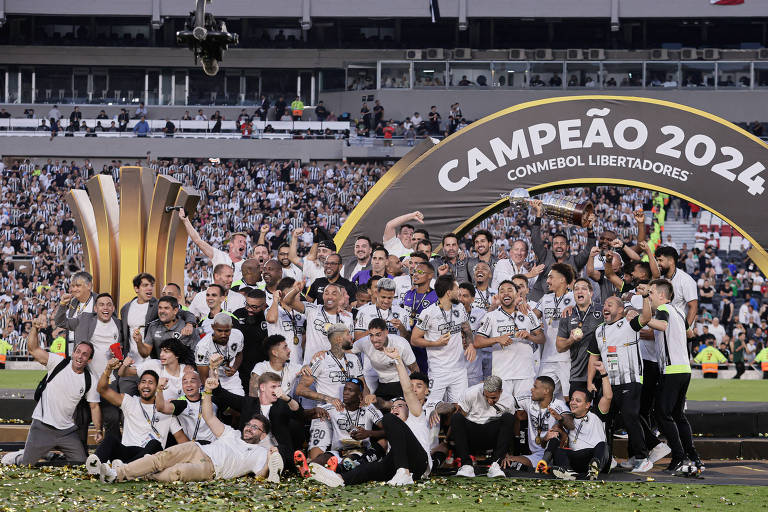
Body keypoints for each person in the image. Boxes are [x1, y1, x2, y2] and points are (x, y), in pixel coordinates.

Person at [95, 375, 283, 484]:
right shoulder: (231, 433)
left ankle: (136, 471)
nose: (249, 428)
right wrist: (207, 392)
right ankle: (116, 474)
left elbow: (260, 475)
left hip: (211, 468)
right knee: (161, 458)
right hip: (197, 448)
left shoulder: (260, 452)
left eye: (255, 428)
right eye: (249, 425)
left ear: (263, 435)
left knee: (177, 473)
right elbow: (209, 416)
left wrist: (271, 458)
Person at [308, 346, 432, 487]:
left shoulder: (417, 413)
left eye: (400, 405)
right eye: (394, 406)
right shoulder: (394, 422)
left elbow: (407, 390)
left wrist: (398, 360)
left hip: (418, 463)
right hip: (394, 462)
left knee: (389, 419)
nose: (396, 407)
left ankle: (404, 472)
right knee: (370, 470)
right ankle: (339, 478)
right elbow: (384, 404)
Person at [636, 279, 703, 475]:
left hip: (671, 369)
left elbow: (663, 326)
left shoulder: (664, 309)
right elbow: (690, 333)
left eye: (651, 293)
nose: (649, 296)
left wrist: (642, 319)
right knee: (677, 415)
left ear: (662, 296)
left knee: (662, 414)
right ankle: (692, 454)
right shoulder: (679, 311)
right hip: (684, 369)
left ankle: (679, 455)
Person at [14, 318, 100, 466]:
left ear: (89, 360)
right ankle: (17, 457)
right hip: (42, 426)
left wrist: (98, 429)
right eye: (78, 352)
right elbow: (33, 349)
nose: (80, 356)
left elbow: (94, 406)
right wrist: (35, 328)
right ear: (73, 353)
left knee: (80, 463)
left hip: (67, 431)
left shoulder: (90, 379)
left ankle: (49, 455)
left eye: (85, 354)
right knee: (25, 465)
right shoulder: (57, 363)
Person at [586, 296, 652, 473]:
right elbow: (593, 356)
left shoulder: (629, 324)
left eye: (610, 305)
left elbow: (646, 317)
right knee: (603, 421)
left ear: (621, 310)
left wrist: (645, 298)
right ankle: (608, 457)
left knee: (630, 416)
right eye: (604, 305)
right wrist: (590, 381)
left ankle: (642, 458)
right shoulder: (599, 331)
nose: (605, 307)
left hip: (630, 380)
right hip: (608, 382)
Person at [211, 361, 303, 473]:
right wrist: (213, 369)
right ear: (262, 387)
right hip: (251, 451)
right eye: (273, 386)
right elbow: (219, 392)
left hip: (276, 452)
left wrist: (286, 398)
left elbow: (299, 413)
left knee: (282, 449)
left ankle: (283, 467)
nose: (277, 390)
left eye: (279, 386)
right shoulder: (248, 403)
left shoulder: (283, 404)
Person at [52, 292, 122, 438]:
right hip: (87, 380)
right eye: (101, 304)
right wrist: (63, 305)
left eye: (109, 304)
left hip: (110, 382)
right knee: (81, 419)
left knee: (113, 418)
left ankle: (111, 453)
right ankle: (80, 455)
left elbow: (125, 349)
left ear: (113, 308)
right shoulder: (84, 319)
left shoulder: (119, 325)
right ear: (95, 308)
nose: (105, 307)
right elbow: (61, 322)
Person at [87, 360, 173, 472]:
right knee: (110, 438)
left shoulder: (166, 408)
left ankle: (124, 469)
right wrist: (108, 369)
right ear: (138, 386)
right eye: (143, 382)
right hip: (126, 453)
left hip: (150, 458)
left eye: (151, 383)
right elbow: (102, 390)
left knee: (155, 444)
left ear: (157, 387)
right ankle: (95, 466)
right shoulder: (130, 401)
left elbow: (180, 437)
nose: (146, 385)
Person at [411, 275, 476, 404]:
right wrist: (435, 343)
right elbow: (414, 339)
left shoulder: (460, 308)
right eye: (457, 289)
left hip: (459, 370)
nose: (460, 292)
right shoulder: (428, 313)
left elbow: (466, 329)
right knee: (432, 408)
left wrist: (470, 345)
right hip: (438, 370)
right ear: (448, 292)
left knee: (459, 408)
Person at [298, 378, 385, 472]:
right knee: (321, 459)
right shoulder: (334, 407)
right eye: (345, 389)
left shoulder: (368, 409)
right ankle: (308, 469)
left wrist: (368, 433)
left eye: (350, 390)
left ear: (360, 396)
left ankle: (333, 471)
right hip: (338, 452)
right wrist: (314, 411)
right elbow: (301, 415)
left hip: (359, 452)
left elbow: (388, 430)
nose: (345, 393)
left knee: (348, 461)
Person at [474, 280, 544, 396]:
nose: (506, 293)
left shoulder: (528, 313)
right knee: (504, 411)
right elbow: (477, 341)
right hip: (502, 375)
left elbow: (542, 338)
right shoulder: (491, 316)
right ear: (498, 296)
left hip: (525, 374)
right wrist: (497, 339)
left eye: (510, 290)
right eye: (502, 291)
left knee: (523, 412)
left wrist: (529, 336)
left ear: (517, 294)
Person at [549, 360, 613, 481]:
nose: (573, 402)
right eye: (572, 399)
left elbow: (608, 396)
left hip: (593, 455)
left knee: (603, 445)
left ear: (587, 404)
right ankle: (568, 472)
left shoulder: (596, 413)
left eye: (578, 401)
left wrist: (603, 373)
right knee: (559, 451)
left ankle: (593, 470)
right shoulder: (569, 418)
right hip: (577, 458)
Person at [529, 199, 596, 300]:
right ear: (552, 247)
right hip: (539, 301)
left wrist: (590, 228)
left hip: (565, 304)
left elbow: (590, 250)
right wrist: (538, 215)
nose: (559, 246)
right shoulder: (545, 256)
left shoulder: (574, 261)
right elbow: (535, 239)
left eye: (562, 243)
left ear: (568, 247)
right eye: (556, 243)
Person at [450, 376, 516, 478]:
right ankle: (466, 465)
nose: (489, 401)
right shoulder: (470, 393)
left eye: (493, 398)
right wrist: (446, 441)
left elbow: (507, 429)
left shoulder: (509, 400)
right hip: (472, 433)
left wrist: (507, 452)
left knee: (509, 418)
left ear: (501, 391)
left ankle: (495, 465)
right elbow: (459, 420)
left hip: (492, 435)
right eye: (486, 396)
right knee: (456, 417)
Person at [501, 376, 570, 473]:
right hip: (536, 454)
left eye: (535, 387)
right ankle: (541, 469)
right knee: (509, 462)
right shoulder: (529, 399)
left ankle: (546, 466)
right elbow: (507, 402)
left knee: (554, 434)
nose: (532, 389)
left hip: (556, 453)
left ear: (546, 391)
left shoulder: (559, 405)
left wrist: (561, 418)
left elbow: (570, 423)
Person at [296, 323, 371, 407]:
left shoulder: (353, 358)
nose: (351, 337)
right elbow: (300, 389)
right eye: (348, 334)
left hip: (351, 412)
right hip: (328, 411)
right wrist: (328, 398)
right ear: (339, 339)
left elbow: (363, 385)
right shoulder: (320, 359)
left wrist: (366, 400)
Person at [284, 280, 354, 365]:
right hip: (310, 366)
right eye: (326, 293)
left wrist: (328, 353)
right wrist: (296, 289)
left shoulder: (347, 317)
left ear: (340, 297)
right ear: (323, 296)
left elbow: (348, 347)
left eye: (334, 294)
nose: (329, 297)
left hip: (334, 367)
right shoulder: (312, 309)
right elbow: (287, 301)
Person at [352, 318, 418, 404]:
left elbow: (415, 370)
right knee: (374, 407)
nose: (374, 339)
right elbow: (348, 351)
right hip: (382, 384)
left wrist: (414, 393)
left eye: (378, 335)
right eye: (371, 335)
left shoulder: (401, 343)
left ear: (386, 332)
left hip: (402, 383)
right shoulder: (365, 342)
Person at [534, 263, 576, 399]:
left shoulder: (575, 298)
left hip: (567, 358)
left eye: (551, 277)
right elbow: (532, 318)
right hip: (547, 357)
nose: (547, 281)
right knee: (541, 394)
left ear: (562, 279)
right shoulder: (545, 299)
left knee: (568, 398)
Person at [556, 278, 603, 396]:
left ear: (591, 293)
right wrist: (571, 339)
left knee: (600, 412)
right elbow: (559, 347)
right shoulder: (567, 314)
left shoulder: (602, 311)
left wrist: (629, 311)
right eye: (576, 289)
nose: (579, 291)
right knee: (578, 411)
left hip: (601, 373)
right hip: (578, 375)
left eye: (583, 289)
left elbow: (618, 311)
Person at [178, 209, 248, 283]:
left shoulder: (247, 265)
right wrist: (186, 220)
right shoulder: (219, 255)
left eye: (245, 243)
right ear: (231, 244)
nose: (243, 244)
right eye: (240, 241)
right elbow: (198, 241)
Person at [154, 370, 218, 444]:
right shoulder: (182, 403)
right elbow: (161, 408)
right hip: (195, 447)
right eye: (185, 382)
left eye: (192, 381)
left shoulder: (211, 398)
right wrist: (159, 389)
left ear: (200, 384)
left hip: (215, 445)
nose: (188, 385)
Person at [119, 339, 192, 401]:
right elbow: (123, 373)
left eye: (166, 352)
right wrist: (125, 365)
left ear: (177, 355)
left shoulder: (188, 371)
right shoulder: (153, 365)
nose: (161, 354)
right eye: (161, 351)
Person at [401, 258, 438, 373]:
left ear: (430, 276)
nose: (415, 274)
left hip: (425, 346)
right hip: (407, 344)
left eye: (420, 272)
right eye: (415, 271)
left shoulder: (436, 296)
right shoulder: (408, 293)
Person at [196, 313, 245, 395]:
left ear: (231, 327)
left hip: (232, 379)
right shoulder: (203, 346)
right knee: (213, 407)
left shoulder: (238, 335)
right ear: (213, 327)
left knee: (239, 405)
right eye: (219, 331)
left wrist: (234, 368)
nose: (223, 334)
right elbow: (204, 377)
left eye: (227, 331)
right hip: (211, 379)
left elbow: (239, 354)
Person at [655, 246, 699, 336]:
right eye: (657, 260)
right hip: (661, 329)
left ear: (671, 261)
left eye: (660, 260)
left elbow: (693, 307)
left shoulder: (686, 280)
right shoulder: (659, 278)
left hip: (679, 332)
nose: (658, 263)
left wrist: (684, 331)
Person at [54, 271, 96, 356]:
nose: (74, 289)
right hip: (72, 348)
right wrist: (62, 305)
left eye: (78, 286)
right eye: (73, 286)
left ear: (89, 286)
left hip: (91, 351)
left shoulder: (99, 301)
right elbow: (59, 322)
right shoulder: (73, 302)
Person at [266, 279, 306, 366]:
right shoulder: (273, 309)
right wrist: (275, 300)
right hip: (279, 364)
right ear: (284, 293)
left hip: (298, 364)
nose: (299, 293)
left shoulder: (301, 312)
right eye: (296, 291)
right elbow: (271, 319)